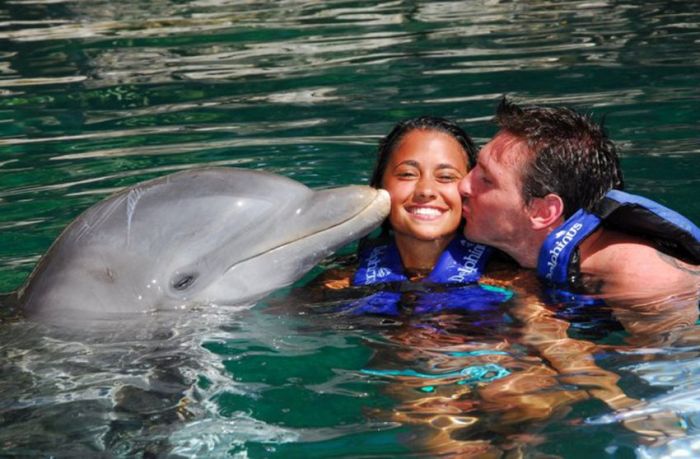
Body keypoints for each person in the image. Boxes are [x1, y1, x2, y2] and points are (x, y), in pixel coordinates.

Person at [458, 97, 700, 337]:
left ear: (543, 212)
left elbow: (672, 368)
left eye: (486, 180)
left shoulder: (641, 277)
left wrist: (558, 350)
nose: (463, 186)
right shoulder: (516, 254)